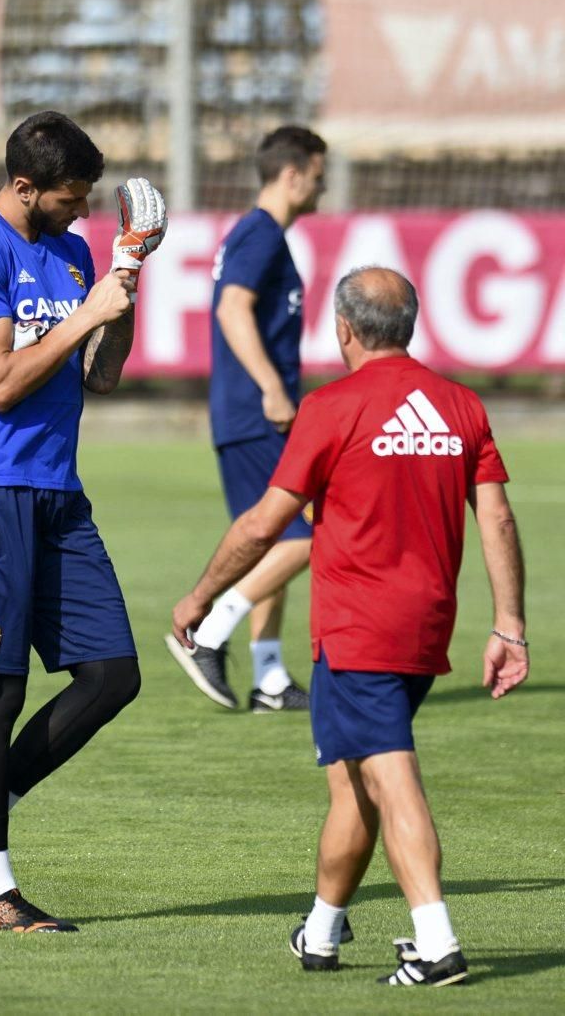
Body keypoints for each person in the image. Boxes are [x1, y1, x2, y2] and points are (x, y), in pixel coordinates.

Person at [172, 266, 528, 986]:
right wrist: (510, 625)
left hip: (357, 628)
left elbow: (265, 521)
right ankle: (323, 931)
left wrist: (205, 596)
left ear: (343, 329)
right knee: (354, 784)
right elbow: (495, 514)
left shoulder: (332, 408)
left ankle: (436, 941)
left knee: (390, 776)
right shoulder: (461, 405)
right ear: (411, 325)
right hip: (425, 628)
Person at [0, 111, 167, 932]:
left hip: (59, 493)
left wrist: (122, 287)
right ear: (24, 187)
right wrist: (86, 313)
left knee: (113, 675)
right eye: (69, 198)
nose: (83, 213)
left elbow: (104, 376)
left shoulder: (73, 249)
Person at [165, 125, 327, 712]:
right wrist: (271, 389)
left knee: (273, 543)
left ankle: (270, 679)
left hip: (247, 415)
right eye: (317, 173)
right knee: (310, 535)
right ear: (292, 174)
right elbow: (232, 308)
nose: (323, 185)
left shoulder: (262, 235)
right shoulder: (259, 234)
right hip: (257, 414)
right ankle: (207, 631)